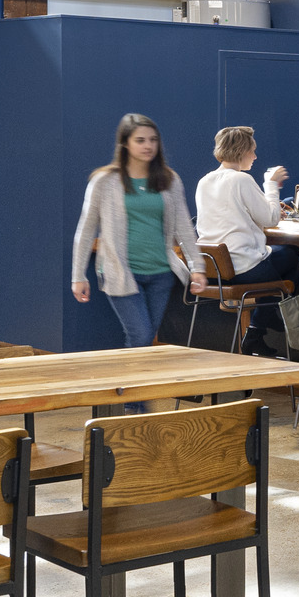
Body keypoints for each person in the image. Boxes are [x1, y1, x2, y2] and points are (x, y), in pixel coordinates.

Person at [71, 114, 206, 404]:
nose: (148, 146)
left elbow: (184, 226)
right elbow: (86, 229)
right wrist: (78, 275)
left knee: (144, 340)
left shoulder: (169, 180)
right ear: (125, 143)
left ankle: (130, 397)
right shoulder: (105, 181)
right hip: (120, 272)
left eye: (153, 140)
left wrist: (197, 268)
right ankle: (134, 405)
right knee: (141, 335)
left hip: (160, 273)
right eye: (140, 140)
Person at [194, 125, 299, 356]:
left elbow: (233, 215)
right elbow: (271, 219)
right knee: (293, 255)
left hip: (215, 270)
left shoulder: (204, 181)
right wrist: (271, 185)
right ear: (242, 151)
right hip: (245, 268)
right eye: (252, 151)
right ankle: (281, 319)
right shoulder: (241, 180)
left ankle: (259, 327)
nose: (255, 156)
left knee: (275, 259)